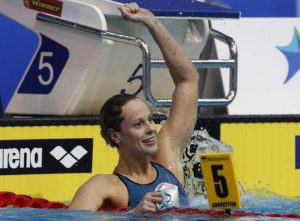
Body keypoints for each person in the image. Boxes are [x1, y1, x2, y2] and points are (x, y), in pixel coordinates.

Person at [69, 2, 199, 213]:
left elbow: (188, 80)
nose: (150, 128)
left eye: (150, 119)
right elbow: (69, 220)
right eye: (138, 124)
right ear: (115, 135)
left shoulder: (168, 162)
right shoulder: (103, 186)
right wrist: (132, 215)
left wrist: (151, 22)